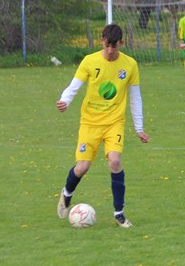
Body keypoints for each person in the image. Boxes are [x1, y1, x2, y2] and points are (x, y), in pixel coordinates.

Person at [56, 23, 149, 228]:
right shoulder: (90, 61)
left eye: (114, 47)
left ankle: (119, 214)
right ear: (102, 42)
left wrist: (139, 127)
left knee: (115, 162)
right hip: (89, 123)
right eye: (107, 46)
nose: (110, 51)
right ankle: (67, 193)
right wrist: (65, 100)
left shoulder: (130, 65)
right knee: (82, 167)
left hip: (114, 123)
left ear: (121, 44)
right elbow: (75, 86)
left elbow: (135, 97)